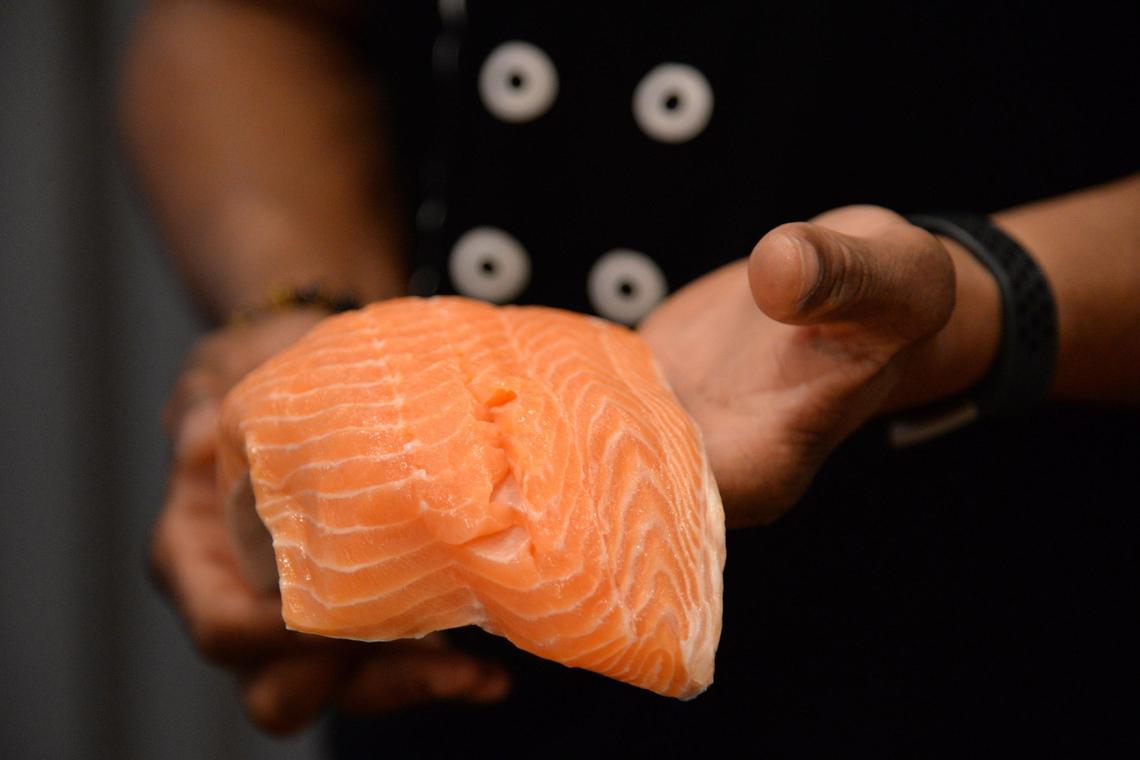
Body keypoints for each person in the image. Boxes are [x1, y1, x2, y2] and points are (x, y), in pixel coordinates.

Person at [123, 0, 1139, 753]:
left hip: (997, 636)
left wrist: (987, 299)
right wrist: (312, 328)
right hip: (453, 688)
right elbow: (247, 21)